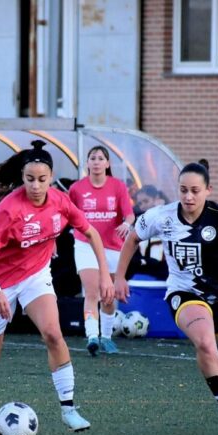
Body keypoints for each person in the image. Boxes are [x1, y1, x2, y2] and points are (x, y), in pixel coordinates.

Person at [0, 141, 113, 432]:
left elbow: (90, 232)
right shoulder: (8, 210)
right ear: (22, 178)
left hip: (35, 276)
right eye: (29, 180)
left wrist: (105, 275)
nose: (36, 186)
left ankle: (69, 409)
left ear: (51, 177)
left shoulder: (60, 201)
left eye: (42, 179)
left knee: (53, 333)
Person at [114, 162, 218, 430]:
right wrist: (119, 277)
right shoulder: (163, 215)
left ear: (208, 190)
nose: (188, 197)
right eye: (183, 190)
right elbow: (133, 239)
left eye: (195, 190)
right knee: (205, 343)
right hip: (185, 292)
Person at [68, 146, 135, 356]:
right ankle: (92, 337)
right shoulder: (77, 189)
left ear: (107, 164)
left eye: (100, 158)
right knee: (92, 292)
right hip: (85, 244)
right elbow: (66, 215)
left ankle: (106, 337)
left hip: (113, 246)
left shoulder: (118, 187)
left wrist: (127, 223)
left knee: (108, 296)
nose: (96, 162)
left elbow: (130, 215)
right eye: (92, 158)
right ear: (87, 163)